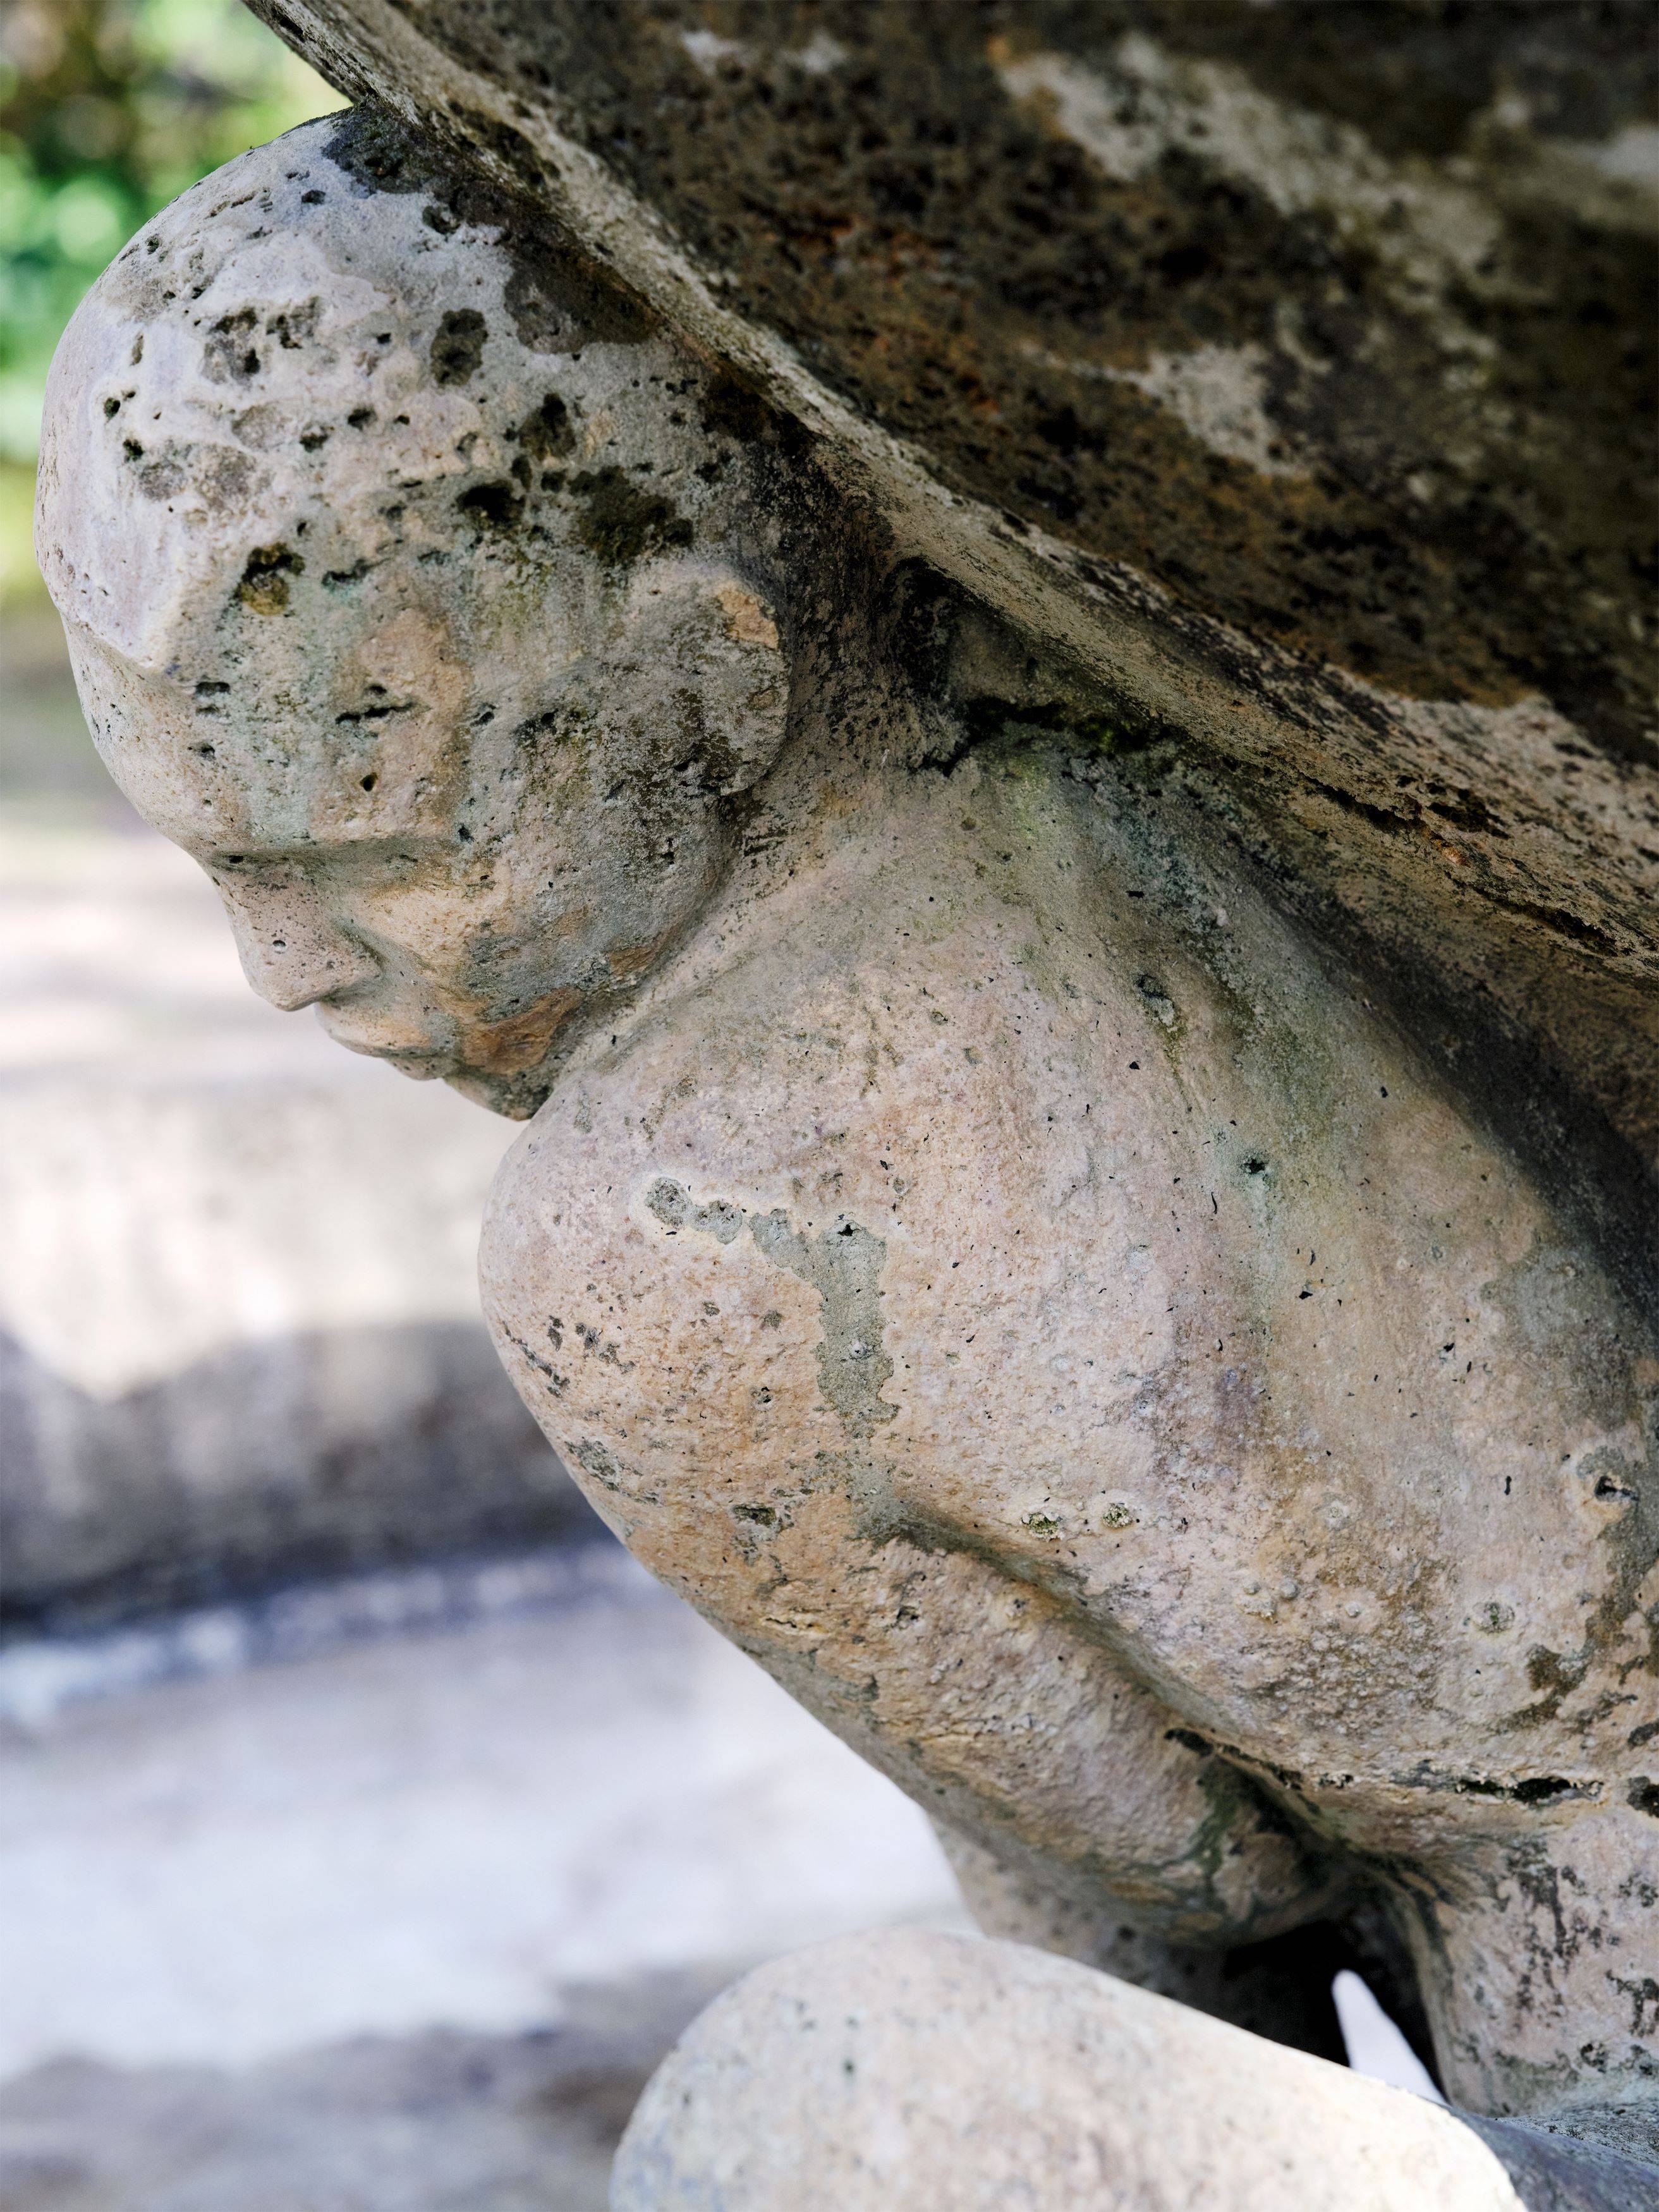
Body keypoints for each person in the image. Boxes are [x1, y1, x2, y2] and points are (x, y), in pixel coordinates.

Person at [39, 109, 1658, 2177]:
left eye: (361, 860)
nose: (281, 972)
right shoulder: (1091, 842)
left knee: (835, 2107)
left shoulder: (664, 1226)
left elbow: (1154, 1858)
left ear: (715, 685)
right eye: (222, 872)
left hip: (1577, 1940)